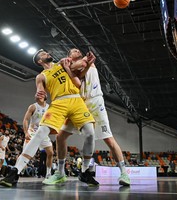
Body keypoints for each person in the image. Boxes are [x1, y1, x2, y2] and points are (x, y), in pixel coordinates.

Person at [0, 49, 98, 187]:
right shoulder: (41, 76)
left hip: (75, 100)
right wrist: (39, 94)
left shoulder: (62, 63)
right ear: (40, 61)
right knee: (40, 133)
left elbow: (79, 66)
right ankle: (15, 172)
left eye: (46, 52)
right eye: (44, 54)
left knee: (90, 133)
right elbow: (40, 91)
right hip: (58, 103)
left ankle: (85, 171)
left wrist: (87, 60)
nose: (47, 53)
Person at [46, 48, 130, 186]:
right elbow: (76, 80)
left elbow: (80, 65)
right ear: (69, 56)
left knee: (109, 139)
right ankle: (60, 172)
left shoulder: (87, 62)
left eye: (78, 50)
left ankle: (124, 173)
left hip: (96, 102)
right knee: (60, 136)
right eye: (73, 50)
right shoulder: (69, 71)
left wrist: (65, 65)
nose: (77, 50)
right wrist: (65, 66)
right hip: (79, 103)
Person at [22, 96, 53, 179]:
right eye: (37, 94)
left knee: (50, 153)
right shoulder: (33, 106)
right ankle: (16, 172)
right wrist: (26, 132)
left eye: (42, 93)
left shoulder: (49, 107)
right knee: (25, 154)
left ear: (45, 96)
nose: (39, 94)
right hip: (32, 132)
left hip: (43, 132)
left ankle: (48, 174)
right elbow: (25, 120)